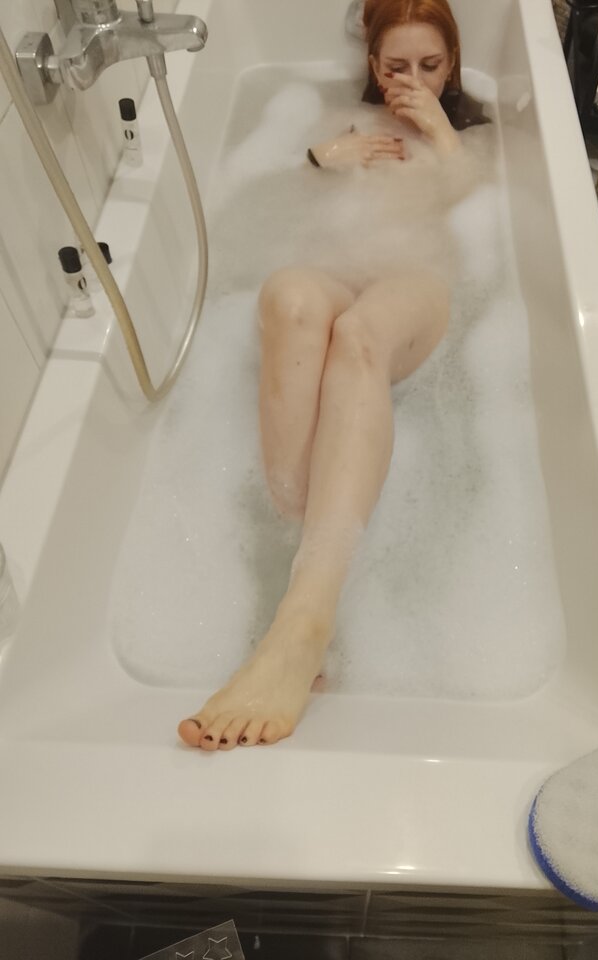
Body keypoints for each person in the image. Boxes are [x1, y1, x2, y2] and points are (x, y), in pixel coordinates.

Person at [178, 0, 487, 751]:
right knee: (288, 297)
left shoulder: (473, 133)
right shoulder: (339, 117)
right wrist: (322, 159)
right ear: (372, 64)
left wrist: (440, 131)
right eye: (396, 66)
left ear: (452, 65)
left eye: (430, 66)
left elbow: (473, 198)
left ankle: (304, 622)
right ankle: (300, 557)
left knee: (357, 337)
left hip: (414, 281)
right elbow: (267, 201)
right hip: (334, 265)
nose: (412, 80)